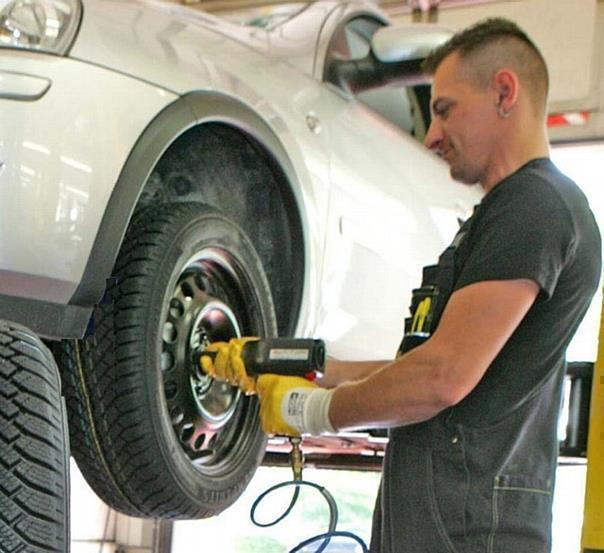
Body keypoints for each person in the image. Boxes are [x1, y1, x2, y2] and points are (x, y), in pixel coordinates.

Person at [202, 18, 602, 553]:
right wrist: (317, 375)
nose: (432, 135)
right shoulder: (504, 214)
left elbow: (441, 378)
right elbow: (430, 361)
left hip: (471, 533)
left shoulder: (536, 206)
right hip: (448, 523)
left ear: (505, 92)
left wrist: (310, 410)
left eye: (444, 109)